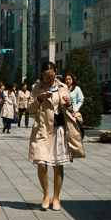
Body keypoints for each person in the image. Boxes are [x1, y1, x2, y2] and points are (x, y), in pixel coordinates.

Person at [28, 61, 84, 211]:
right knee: (41, 163)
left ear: (56, 72)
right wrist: (39, 98)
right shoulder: (36, 88)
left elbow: (68, 109)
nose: (49, 79)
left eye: (51, 75)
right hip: (42, 129)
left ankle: (56, 197)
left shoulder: (63, 87)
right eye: (46, 76)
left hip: (59, 129)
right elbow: (29, 109)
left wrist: (69, 104)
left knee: (58, 165)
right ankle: (46, 194)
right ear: (41, 75)